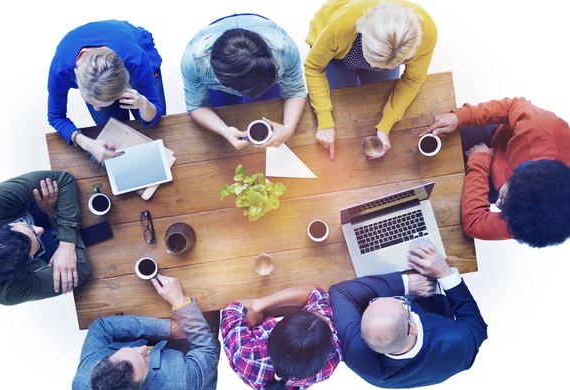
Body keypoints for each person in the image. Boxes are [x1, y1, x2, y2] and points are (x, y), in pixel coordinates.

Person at [329, 245, 488, 388]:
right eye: (401, 302)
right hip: (434, 306)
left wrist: (405, 283)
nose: (399, 297)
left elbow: (340, 292)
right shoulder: (460, 344)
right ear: (411, 327)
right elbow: (477, 327)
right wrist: (444, 273)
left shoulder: (355, 355)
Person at [422, 97, 570, 247]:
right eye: (504, 198)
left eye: (504, 209)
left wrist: (479, 162)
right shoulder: (539, 128)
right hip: (495, 138)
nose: (497, 205)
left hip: (497, 178)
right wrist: (458, 117)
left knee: (440, 199)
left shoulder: (533, 221)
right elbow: (511, 106)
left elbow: (475, 223)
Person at [305, 0, 438, 160]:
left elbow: (412, 80)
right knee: (340, 106)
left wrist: (385, 126)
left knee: (375, 101)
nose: (373, 68)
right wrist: (324, 120)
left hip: (380, 52)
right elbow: (313, 67)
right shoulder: (342, 23)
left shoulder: (427, 33)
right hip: (336, 55)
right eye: (372, 63)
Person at [72, 275, 220, 390]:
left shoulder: (82, 378)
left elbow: (101, 327)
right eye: (143, 359)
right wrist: (179, 301)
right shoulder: (180, 385)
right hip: (192, 363)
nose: (143, 349)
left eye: (130, 350)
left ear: (98, 362)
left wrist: (167, 328)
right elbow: (206, 347)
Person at [181, 14, 308, 150]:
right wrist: (224, 130)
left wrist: (288, 128)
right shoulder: (194, 61)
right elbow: (197, 106)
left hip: (263, 69)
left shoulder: (285, 49)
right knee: (226, 114)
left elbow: (294, 91)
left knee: (271, 111)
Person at [48, 20, 166, 162]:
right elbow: (55, 116)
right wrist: (86, 143)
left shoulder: (136, 60)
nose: (96, 109)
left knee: (155, 126)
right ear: (76, 78)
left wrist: (144, 104)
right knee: (115, 130)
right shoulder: (60, 71)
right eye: (91, 102)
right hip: (109, 57)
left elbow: (154, 114)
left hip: (134, 50)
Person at [0, 171, 89, 305]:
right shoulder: (5, 292)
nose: (40, 230)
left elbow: (63, 180)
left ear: (0, 227)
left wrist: (67, 244)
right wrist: (53, 215)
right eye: (36, 241)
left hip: (38, 206)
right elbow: (81, 270)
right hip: (54, 240)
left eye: (28, 227)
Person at [221, 284, 342, 390]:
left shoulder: (246, 357)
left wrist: (258, 305)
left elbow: (232, 309)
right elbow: (315, 295)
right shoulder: (331, 359)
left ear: (274, 330)